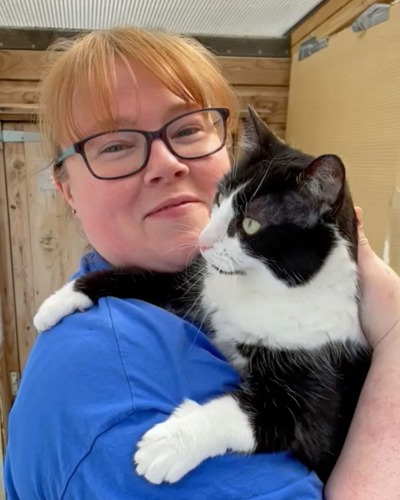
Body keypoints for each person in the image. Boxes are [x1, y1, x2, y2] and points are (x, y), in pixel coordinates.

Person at [3, 27, 400, 500]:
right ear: (66, 189)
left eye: (188, 128)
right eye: (114, 144)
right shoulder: (121, 407)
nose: (166, 162)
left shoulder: (206, 286)